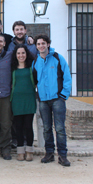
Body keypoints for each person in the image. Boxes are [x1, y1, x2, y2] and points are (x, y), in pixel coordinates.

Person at [32, 34, 72, 167]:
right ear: (36, 46)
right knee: (46, 128)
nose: (41, 46)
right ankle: (49, 153)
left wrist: (64, 95)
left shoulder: (58, 58)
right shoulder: (35, 62)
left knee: (60, 128)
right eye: (38, 44)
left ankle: (62, 155)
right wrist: (38, 96)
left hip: (57, 99)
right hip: (43, 100)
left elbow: (67, 77)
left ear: (48, 44)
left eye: (43, 43)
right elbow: (34, 81)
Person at [10, 44, 36, 161]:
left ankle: (29, 150)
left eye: (23, 53)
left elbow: (36, 82)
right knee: (18, 127)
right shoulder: (12, 68)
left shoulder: (32, 67)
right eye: (18, 53)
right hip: (16, 100)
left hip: (29, 99)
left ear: (27, 54)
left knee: (28, 126)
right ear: (15, 55)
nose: (21, 55)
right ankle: (20, 151)